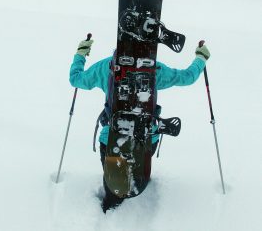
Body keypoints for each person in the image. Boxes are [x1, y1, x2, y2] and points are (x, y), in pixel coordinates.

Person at [69, 37, 210, 213]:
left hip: (111, 138)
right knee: (138, 177)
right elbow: (187, 77)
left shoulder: (107, 66)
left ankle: (111, 207)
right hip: (147, 137)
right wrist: (201, 58)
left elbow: (75, 79)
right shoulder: (154, 68)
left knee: (115, 185)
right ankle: (138, 204)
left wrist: (81, 54)